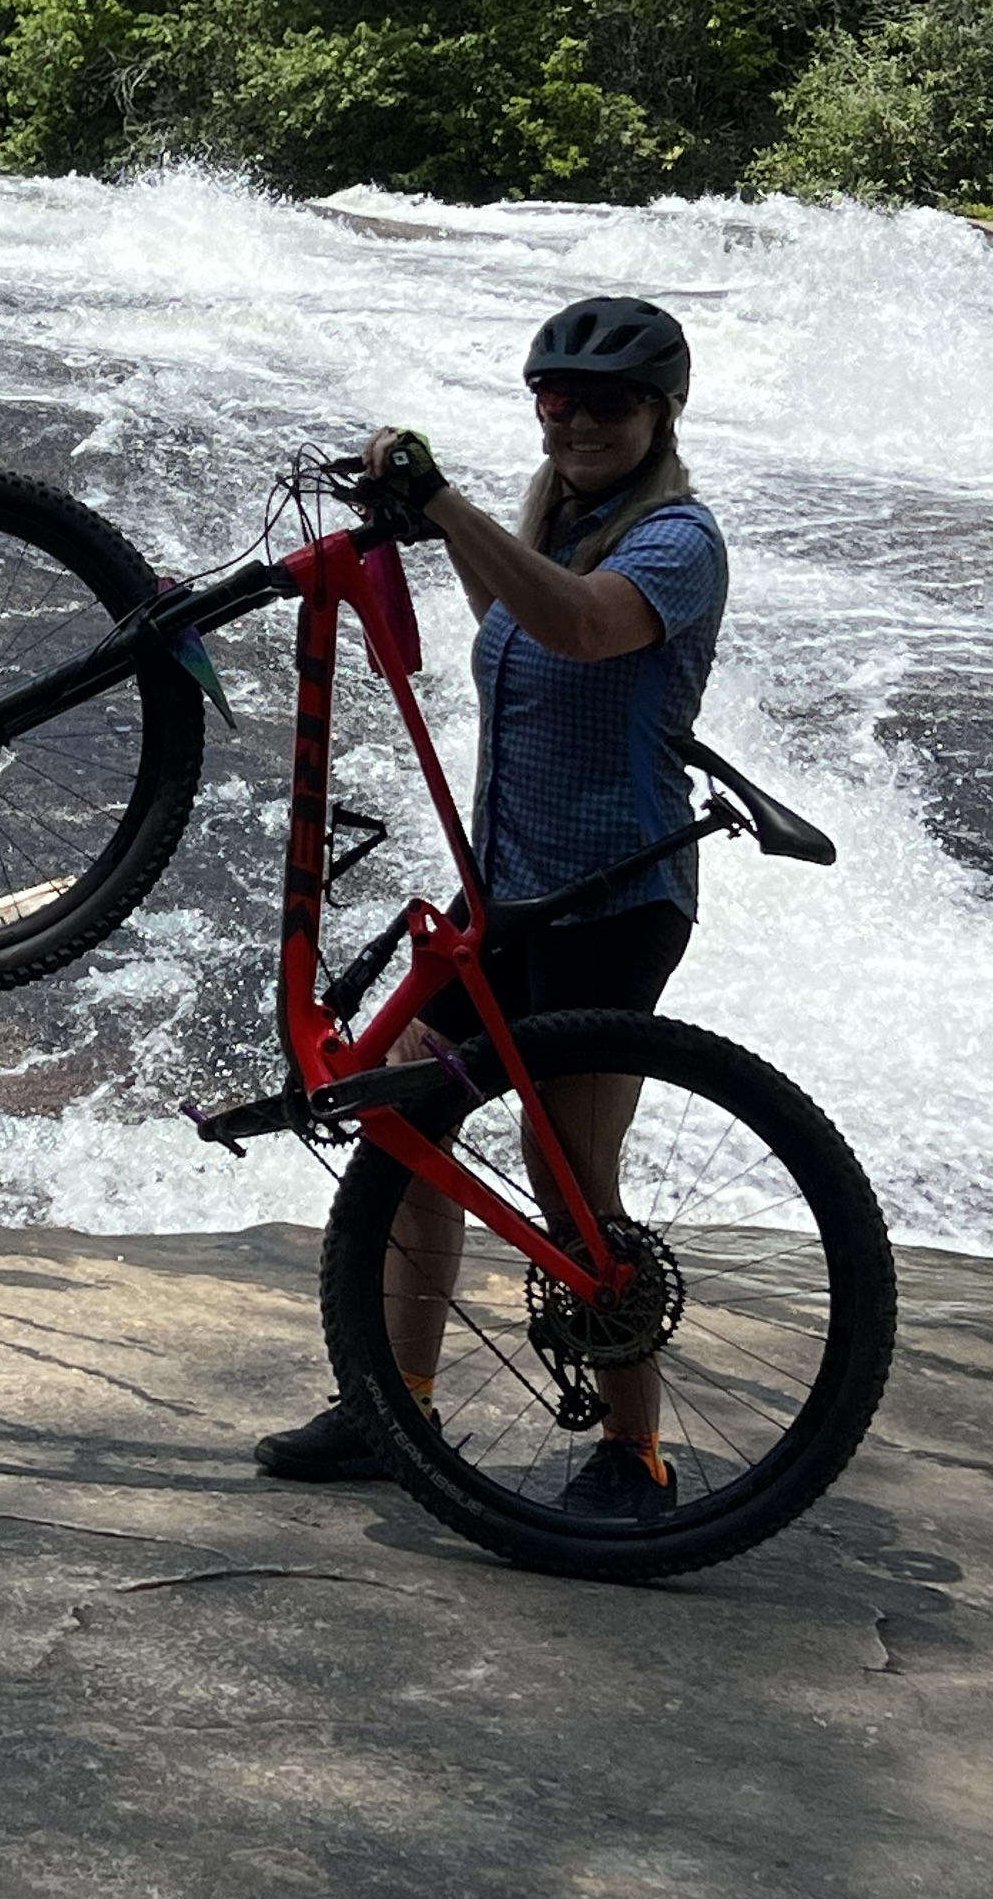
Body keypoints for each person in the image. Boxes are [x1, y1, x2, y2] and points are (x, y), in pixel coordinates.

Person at [251, 295, 726, 1515]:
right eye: (554, 403)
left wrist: (447, 501)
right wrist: (437, 521)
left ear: (660, 412)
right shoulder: (558, 524)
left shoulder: (676, 540)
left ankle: (639, 1457)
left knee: (568, 1172)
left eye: (606, 405)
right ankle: (392, 1408)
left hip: (616, 896)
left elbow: (573, 630)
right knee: (409, 1121)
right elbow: (510, 620)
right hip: (514, 895)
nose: (574, 424)